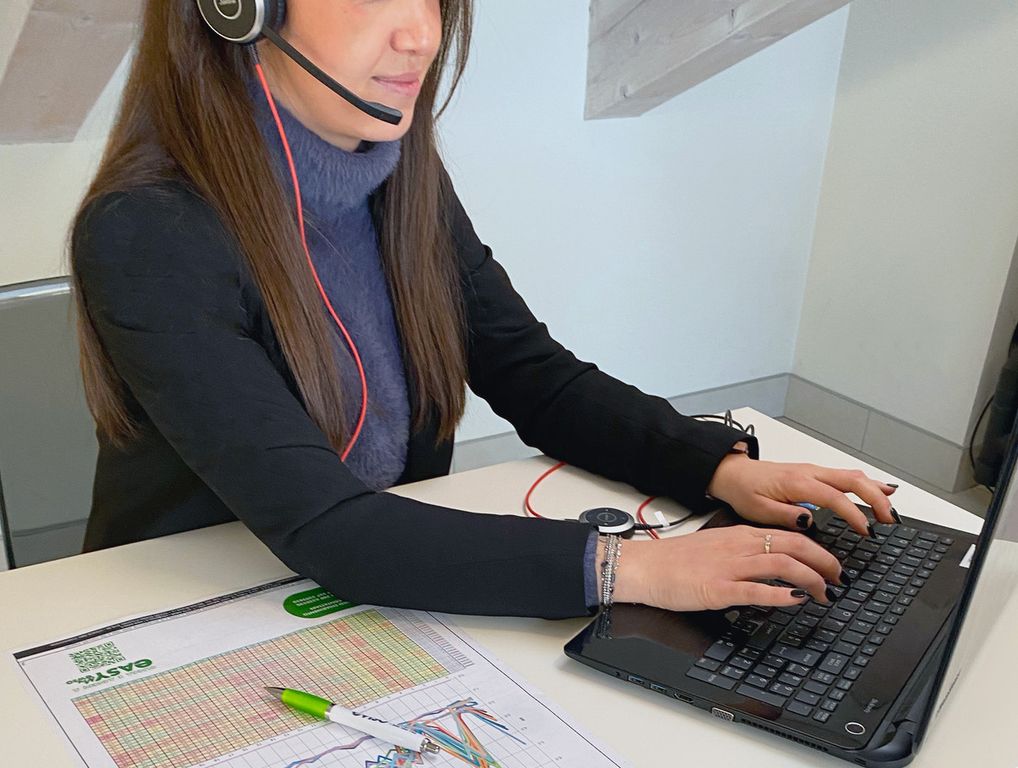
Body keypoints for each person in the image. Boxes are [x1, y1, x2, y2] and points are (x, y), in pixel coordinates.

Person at [70, 0, 899, 620]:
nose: (421, 35)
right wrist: (634, 569)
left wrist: (714, 468)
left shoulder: (399, 175)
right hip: (187, 609)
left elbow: (535, 377)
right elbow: (329, 529)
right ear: (240, 8)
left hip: (372, 586)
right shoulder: (147, 230)